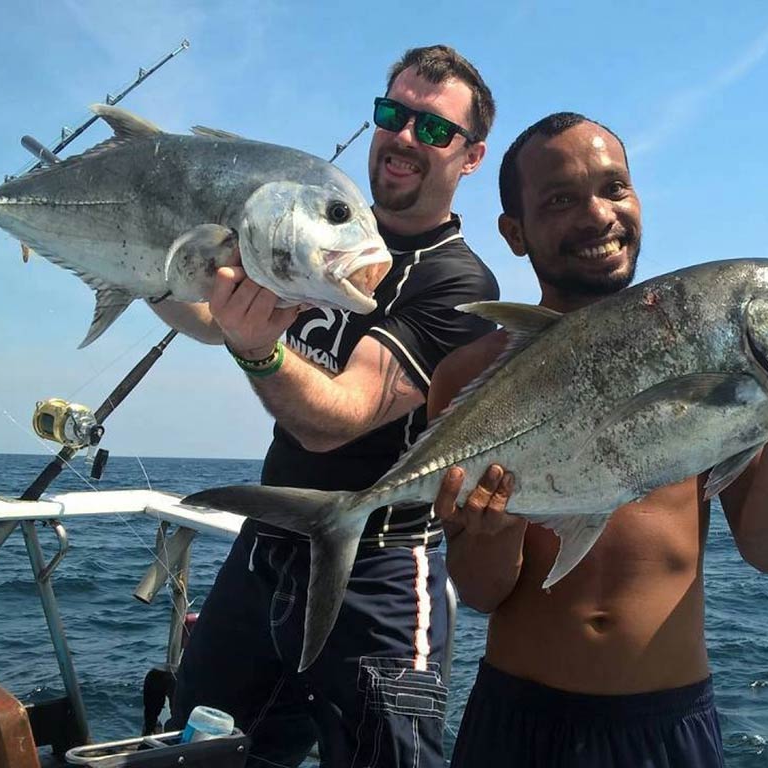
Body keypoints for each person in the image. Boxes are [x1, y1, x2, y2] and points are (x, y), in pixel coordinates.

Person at [428, 113, 768, 768]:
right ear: (514, 232)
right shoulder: (468, 379)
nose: (597, 214)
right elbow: (484, 593)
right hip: (517, 719)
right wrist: (494, 532)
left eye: (614, 187)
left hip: (664, 724)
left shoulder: (704, 344)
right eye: (560, 199)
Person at [151, 45, 498, 767]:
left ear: (471, 158)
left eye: (433, 130)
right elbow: (220, 318)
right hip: (268, 541)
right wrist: (141, 270)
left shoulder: (461, 285)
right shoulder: (311, 229)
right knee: (199, 744)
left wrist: (261, 351)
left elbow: (336, 414)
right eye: (391, 115)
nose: (404, 137)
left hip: (379, 569)